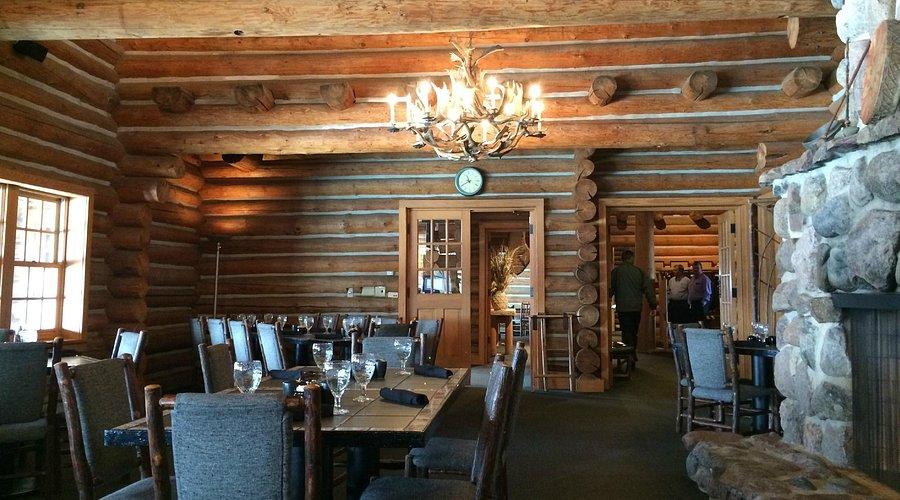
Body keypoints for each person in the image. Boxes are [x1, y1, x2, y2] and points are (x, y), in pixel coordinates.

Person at [610, 249, 657, 363]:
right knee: (634, 331)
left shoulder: (616, 272)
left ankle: (628, 354)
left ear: (622, 259)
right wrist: (653, 305)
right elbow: (648, 289)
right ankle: (632, 352)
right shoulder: (639, 272)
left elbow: (610, 288)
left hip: (623, 307)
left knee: (626, 331)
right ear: (631, 258)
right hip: (636, 307)